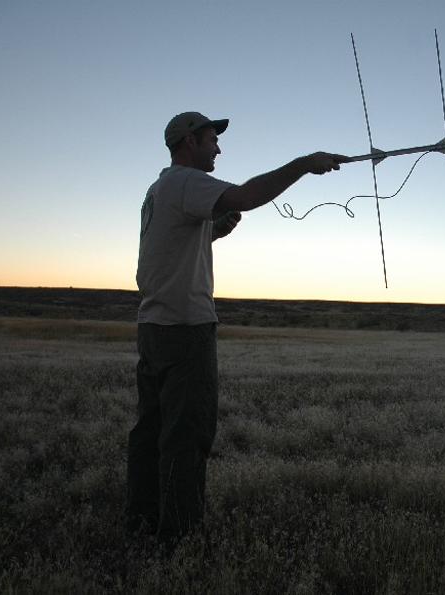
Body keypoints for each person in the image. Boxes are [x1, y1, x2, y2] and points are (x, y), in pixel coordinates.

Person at [127, 111, 348, 543]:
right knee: (186, 435)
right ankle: (179, 538)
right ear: (189, 142)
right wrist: (304, 164)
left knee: (150, 431)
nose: (218, 148)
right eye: (212, 139)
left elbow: (177, 244)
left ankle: (141, 521)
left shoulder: (158, 190)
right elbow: (246, 195)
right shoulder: (186, 181)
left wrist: (216, 230)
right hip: (185, 329)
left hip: (154, 325)